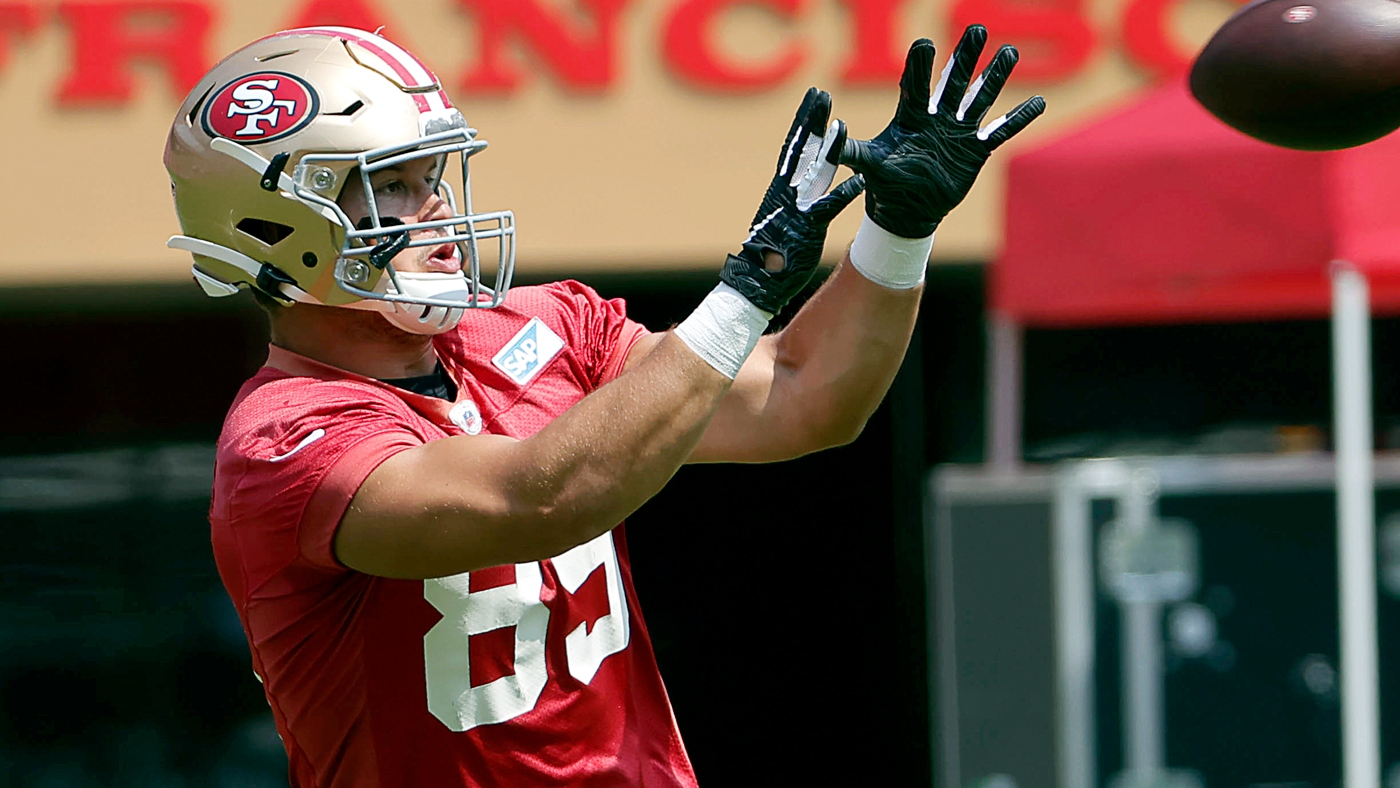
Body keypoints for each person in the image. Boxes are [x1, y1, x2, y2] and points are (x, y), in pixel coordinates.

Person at [163, 23, 1043, 788]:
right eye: (391, 184)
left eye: (433, 174)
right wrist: (746, 291)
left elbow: (806, 399)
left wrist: (896, 233)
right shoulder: (285, 441)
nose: (435, 205)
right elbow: (535, 499)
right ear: (272, 225)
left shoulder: (540, 322)